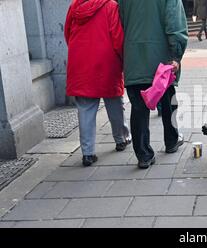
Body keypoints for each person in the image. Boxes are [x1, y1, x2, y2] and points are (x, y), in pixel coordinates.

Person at [118, 0, 188, 169]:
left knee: (138, 107)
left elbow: (119, 22)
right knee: (168, 99)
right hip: (161, 59)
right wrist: (176, 55)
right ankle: (171, 141)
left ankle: (143, 155)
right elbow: (175, 25)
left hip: (133, 56)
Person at [65, 0, 131, 167]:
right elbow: (117, 36)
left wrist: (78, 50)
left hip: (80, 62)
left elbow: (67, 34)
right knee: (115, 103)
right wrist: (123, 60)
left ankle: (87, 153)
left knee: (85, 110)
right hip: (106, 62)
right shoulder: (110, 6)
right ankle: (121, 139)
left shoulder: (74, 6)